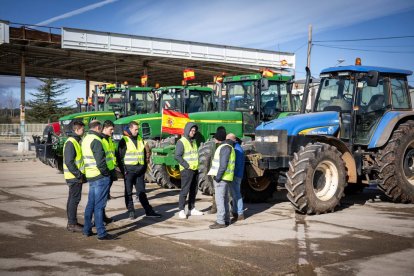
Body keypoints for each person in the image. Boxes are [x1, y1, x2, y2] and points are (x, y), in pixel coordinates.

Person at [117, 121, 161, 220]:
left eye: (138, 129)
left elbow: (145, 155)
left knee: (141, 192)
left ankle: (148, 211)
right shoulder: (124, 140)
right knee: (128, 192)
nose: (137, 131)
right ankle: (131, 211)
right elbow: (119, 157)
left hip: (140, 171)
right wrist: (124, 170)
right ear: (130, 129)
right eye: (135, 129)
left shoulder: (140, 139)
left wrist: (144, 168)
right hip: (129, 171)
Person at [81, 120, 117, 240]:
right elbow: (100, 161)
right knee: (99, 205)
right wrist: (106, 174)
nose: (101, 130)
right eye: (100, 128)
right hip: (100, 176)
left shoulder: (86, 139)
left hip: (91, 175)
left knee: (90, 204)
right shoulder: (96, 140)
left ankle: (87, 229)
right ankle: (101, 233)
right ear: (97, 128)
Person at [208, 127, 235, 229]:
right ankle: (226, 219)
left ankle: (220, 222)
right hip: (226, 177)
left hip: (222, 178)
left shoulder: (224, 148)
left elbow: (223, 165)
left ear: (218, 138)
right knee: (225, 200)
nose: (214, 139)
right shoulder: (228, 147)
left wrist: (218, 177)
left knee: (220, 200)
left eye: (215, 137)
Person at [175, 122, 204, 219]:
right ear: (187, 130)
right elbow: (177, 156)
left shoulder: (194, 141)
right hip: (187, 170)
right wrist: (186, 165)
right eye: (191, 130)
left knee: (193, 190)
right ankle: (181, 210)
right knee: (185, 190)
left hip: (195, 169)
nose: (193, 132)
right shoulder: (181, 142)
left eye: (194, 131)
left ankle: (191, 209)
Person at [63, 120, 86, 233]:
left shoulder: (75, 141)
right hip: (74, 177)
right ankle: (72, 224)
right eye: (82, 129)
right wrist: (79, 174)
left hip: (75, 176)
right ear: (76, 130)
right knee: (74, 200)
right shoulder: (71, 142)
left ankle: (72, 222)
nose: (84, 130)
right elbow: (69, 162)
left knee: (72, 199)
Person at [101, 120, 117, 224]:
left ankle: (102, 216)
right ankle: (99, 218)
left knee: (105, 196)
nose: (112, 131)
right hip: (104, 172)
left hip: (110, 170)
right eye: (111, 129)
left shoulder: (109, 139)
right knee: (101, 197)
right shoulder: (101, 140)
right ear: (105, 128)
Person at [226, 133, 245, 221]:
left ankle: (240, 213)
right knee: (234, 194)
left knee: (236, 194)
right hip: (237, 174)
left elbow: (235, 165)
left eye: (228, 140)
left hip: (235, 175)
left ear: (233, 140)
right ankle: (235, 212)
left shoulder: (236, 150)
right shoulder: (238, 148)